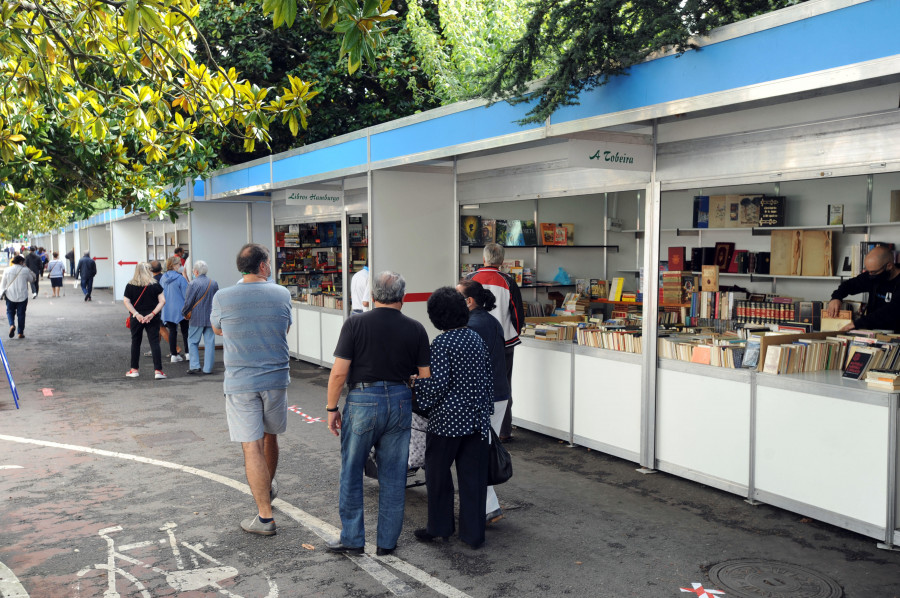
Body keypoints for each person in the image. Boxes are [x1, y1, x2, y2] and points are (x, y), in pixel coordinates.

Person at [325, 271, 431, 556]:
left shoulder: (355, 324)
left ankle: (352, 538)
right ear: (403, 298)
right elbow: (424, 376)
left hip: (362, 400)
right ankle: (386, 542)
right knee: (395, 474)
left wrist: (332, 408)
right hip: (399, 400)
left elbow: (338, 373)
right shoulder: (416, 328)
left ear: (371, 297)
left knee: (351, 471)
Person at [211, 243, 292, 536]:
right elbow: (284, 328)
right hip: (276, 378)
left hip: (241, 382)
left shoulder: (223, 297)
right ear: (262, 266)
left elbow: (218, 329)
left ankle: (265, 517)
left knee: (251, 445)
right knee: (270, 437)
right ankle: (266, 489)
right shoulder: (282, 293)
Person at [413, 287, 493, 550]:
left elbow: (436, 385)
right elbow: (487, 378)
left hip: (447, 421)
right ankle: (473, 534)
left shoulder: (442, 343)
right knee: (473, 479)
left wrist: (417, 388)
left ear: (437, 316)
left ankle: (440, 527)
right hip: (476, 420)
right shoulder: (475, 338)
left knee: (438, 473)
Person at [457, 278, 511, 525]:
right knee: (481, 451)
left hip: (484, 398)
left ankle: (488, 508)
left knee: (474, 454)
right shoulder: (491, 321)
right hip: (499, 394)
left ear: (469, 301)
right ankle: (489, 507)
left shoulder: (471, 326)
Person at [467, 243, 523, 441]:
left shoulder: (469, 279)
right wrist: (514, 331)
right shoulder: (508, 280)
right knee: (503, 384)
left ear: (484, 259)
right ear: (501, 261)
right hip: (504, 342)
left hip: (472, 339)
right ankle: (503, 431)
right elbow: (517, 313)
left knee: (472, 382)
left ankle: (473, 427)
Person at [826, 245, 900, 332]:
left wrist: (857, 324)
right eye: (868, 271)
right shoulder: (872, 275)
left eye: (873, 272)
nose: (870, 275)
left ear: (889, 266)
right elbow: (849, 285)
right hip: (873, 333)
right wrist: (836, 297)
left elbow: (890, 311)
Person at [122, 263, 167, 379]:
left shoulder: (130, 285)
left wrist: (136, 314)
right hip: (152, 318)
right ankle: (158, 371)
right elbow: (162, 301)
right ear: (149, 271)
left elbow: (126, 301)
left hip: (136, 318)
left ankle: (134, 369)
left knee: (136, 342)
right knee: (154, 342)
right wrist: (152, 314)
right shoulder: (155, 284)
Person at [183, 260, 219, 375]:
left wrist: (184, 313)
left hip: (196, 317)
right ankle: (208, 368)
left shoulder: (192, 284)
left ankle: (194, 365)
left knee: (193, 341)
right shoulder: (213, 283)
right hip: (210, 317)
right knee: (209, 342)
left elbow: (188, 302)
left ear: (196, 272)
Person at [160, 256, 189, 362]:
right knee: (185, 331)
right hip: (182, 309)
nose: (180, 266)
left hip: (167, 309)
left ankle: (173, 355)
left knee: (172, 331)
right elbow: (186, 295)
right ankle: (188, 353)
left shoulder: (163, 278)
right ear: (174, 265)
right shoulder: (180, 278)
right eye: (179, 264)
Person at [0, 255, 36, 339]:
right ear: (21, 262)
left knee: (10, 311)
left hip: (10, 295)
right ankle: (20, 332)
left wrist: (1, 293)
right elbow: (32, 279)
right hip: (22, 295)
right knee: (21, 314)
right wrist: (28, 269)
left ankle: (12, 325)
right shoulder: (25, 270)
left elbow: (3, 285)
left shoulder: (7, 270)